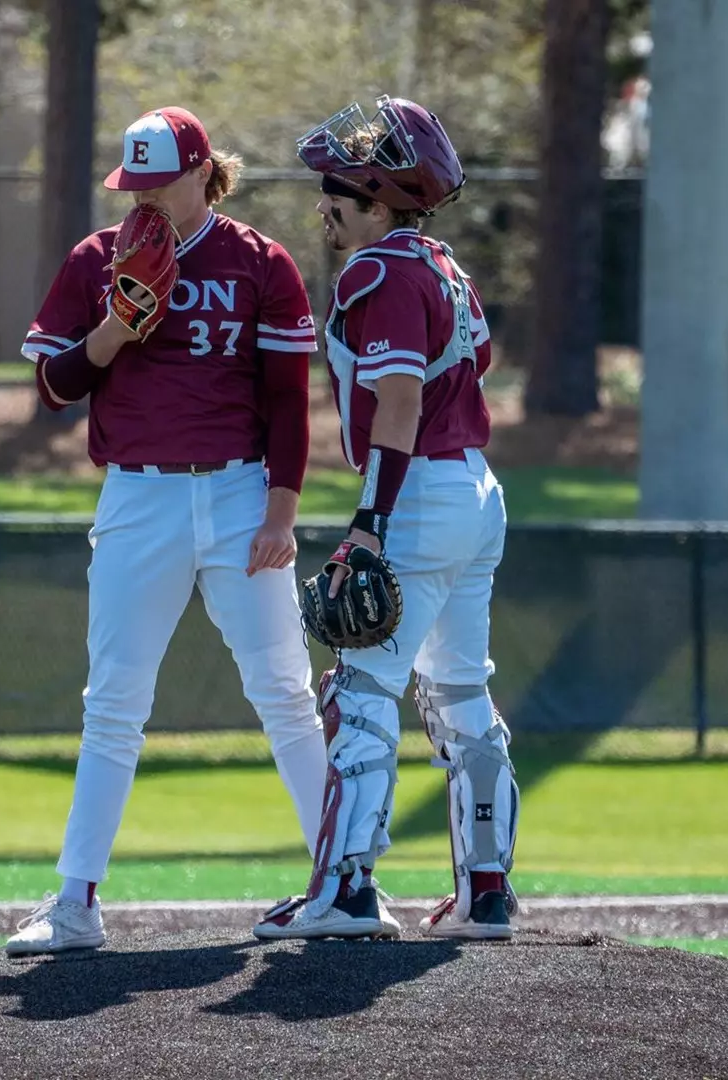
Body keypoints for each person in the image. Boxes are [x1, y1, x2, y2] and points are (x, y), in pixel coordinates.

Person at [5, 106, 327, 954]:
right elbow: (53, 386)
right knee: (112, 702)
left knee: (287, 693)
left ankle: (342, 880)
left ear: (201, 173)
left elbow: (289, 399)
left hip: (237, 493)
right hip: (137, 497)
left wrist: (283, 510)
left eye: (157, 180)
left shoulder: (259, 261)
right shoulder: (94, 259)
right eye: (131, 182)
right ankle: (76, 902)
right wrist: (113, 330)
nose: (140, 196)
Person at [253, 96, 519, 942]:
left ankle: (348, 891)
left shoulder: (380, 272)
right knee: (459, 691)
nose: (323, 202)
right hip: (475, 491)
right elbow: (479, 362)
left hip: (420, 494)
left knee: (361, 691)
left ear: (376, 199)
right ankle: (487, 893)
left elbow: (399, 398)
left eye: (336, 188)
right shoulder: (442, 264)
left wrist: (370, 519)